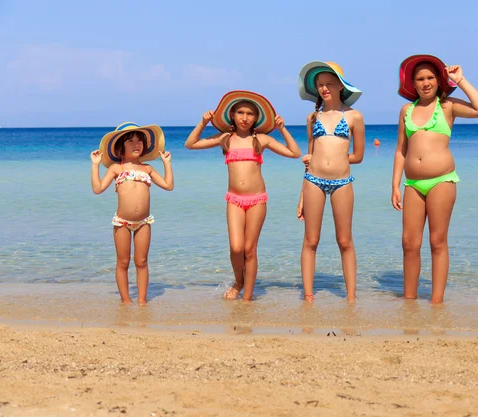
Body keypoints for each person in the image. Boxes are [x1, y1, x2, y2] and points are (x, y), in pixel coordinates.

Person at [391, 54, 478, 303]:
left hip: (441, 181)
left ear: (438, 81)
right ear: (412, 84)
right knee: (409, 243)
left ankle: (436, 302)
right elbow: (401, 150)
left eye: (430, 78)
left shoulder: (447, 106)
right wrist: (395, 184)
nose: (426, 83)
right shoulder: (407, 110)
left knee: (437, 241)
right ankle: (409, 301)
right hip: (412, 184)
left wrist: (461, 80)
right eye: (420, 79)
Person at [185, 90, 301, 301]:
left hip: (257, 200)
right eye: (240, 112)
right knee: (236, 247)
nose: (245, 118)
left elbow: (295, 153)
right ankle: (239, 280)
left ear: (256, 118)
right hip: (234, 200)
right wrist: (202, 123)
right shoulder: (226, 139)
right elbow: (190, 144)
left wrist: (282, 129)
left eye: (249, 113)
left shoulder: (262, 140)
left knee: (250, 249)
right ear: (232, 115)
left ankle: (247, 296)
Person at [296, 61, 365, 303]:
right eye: (320, 85)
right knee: (311, 240)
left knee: (344, 240)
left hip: (342, 182)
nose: (324, 88)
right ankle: (307, 296)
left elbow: (357, 156)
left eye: (329, 84)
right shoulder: (313, 117)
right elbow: (309, 157)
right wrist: (301, 197)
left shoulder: (354, 116)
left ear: (340, 86)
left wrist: (335, 159)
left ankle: (351, 297)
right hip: (313, 181)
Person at [90, 122, 174, 305]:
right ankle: (126, 300)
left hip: (144, 222)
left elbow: (168, 185)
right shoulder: (116, 169)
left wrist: (167, 163)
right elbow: (97, 189)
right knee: (123, 262)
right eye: (130, 141)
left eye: (139, 141)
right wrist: (95, 165)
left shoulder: (147, 169)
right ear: (121, 147)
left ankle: (142, 300)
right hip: (122, 222)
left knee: (142, 261)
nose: (136, 144)